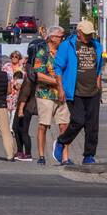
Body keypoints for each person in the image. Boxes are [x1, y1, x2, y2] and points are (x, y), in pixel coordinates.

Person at [54, 19, 104, 166]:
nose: (89, 37)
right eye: (86, 34)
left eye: (90, 34)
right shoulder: (67, 46)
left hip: (92, 92)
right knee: (78, 121)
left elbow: (99, 69)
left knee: (92, 126)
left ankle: (89, 155)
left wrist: (98, 88)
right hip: (75, 91)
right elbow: (58, 68)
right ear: (79, 33)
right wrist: (60, 88)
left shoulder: (97, 46)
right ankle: (61, 142)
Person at [32, 27, 70, 165]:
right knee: (43, 125)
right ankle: (41, 156)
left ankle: (65, 157)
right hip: (45, 94)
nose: (62, 39)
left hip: (62, 94)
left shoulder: (63, 52)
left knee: (64, 126)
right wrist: (57, 81)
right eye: (60, 36)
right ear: (52, 37)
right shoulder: (42, 53)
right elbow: (39, 75)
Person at [12, 71, 34, 161]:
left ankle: (28, 154)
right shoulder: (25, 79)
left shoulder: (28, 80)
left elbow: (25, 95)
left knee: (24, 130)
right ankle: (20, 151)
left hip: (25, 108)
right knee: (16, 128)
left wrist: (21, 109)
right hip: (22, 107)